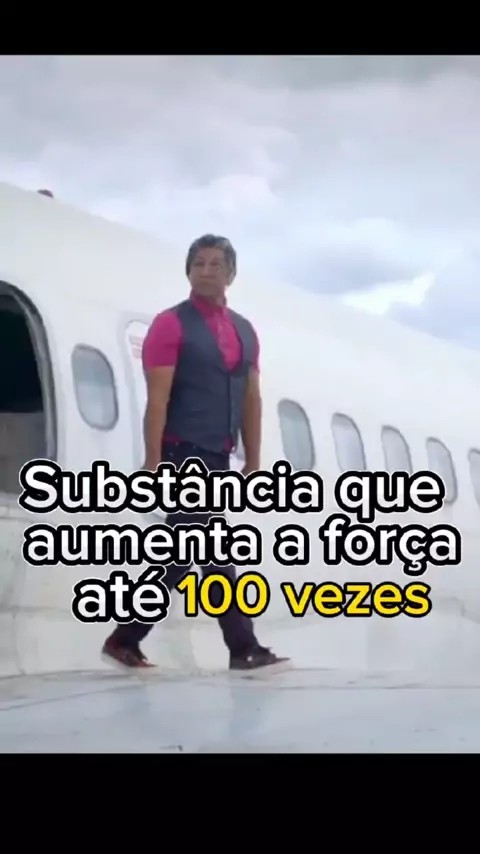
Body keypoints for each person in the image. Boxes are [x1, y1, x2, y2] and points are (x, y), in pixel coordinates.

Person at [102, 234, 289, 671]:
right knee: (194, 549)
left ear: (231, 274)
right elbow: (158, 399)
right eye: (198, 264)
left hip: (217, 455)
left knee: (205, 552)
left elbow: (251, 398)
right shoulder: (171, 324)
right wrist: (153, 462)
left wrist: (254, 461)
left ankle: (234, 646)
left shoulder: (244, 331)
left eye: (215, 264)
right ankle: (234, 646)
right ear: (188, 271)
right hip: (182, 451)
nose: (206, 271)